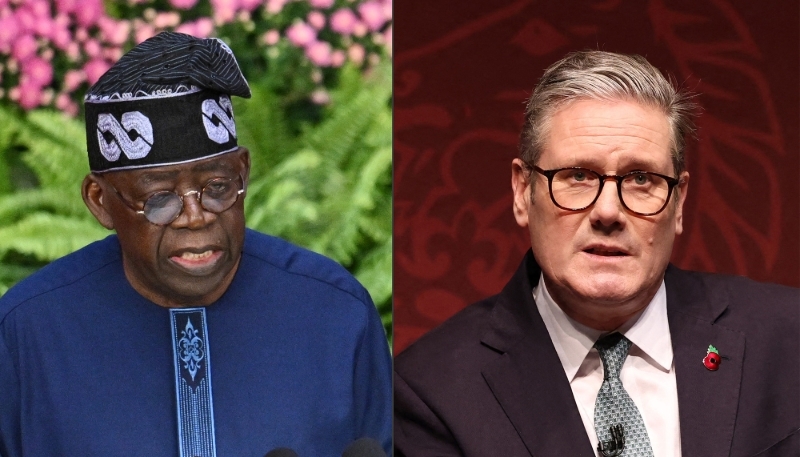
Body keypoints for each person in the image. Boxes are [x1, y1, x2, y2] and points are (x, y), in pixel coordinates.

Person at [0, 32, 391, 457]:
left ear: (243, 170)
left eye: (218, 186)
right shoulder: (27, 333)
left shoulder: (336, 313)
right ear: (101, 203)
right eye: (159, 199)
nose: (197, 215)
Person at [394, 50, 799, 456]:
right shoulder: (432, 392)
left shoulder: (787, 339)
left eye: (641, 178)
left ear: (678, 203)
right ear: (522, 192)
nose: (608, 211)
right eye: (578, 176)